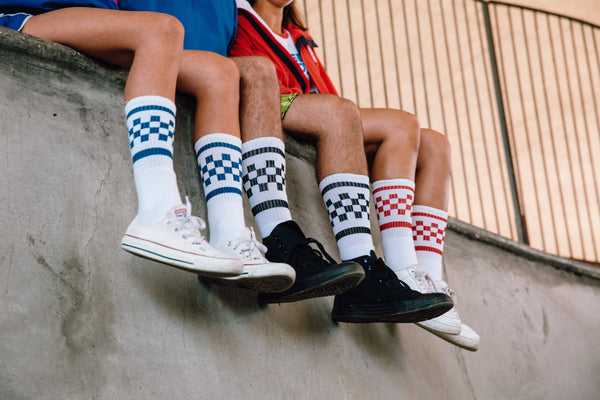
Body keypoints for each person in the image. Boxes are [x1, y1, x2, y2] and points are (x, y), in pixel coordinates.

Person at [229, 0, 479, 350]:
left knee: (435, 144)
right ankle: (402, 267)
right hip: (278, 106)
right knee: (398, 121)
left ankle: (428, 279)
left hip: (321, 113)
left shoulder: (300, 38)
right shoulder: (240, 16)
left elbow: (329, 97)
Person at [0, 1, 297, 293]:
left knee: (221, 73)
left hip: (98, 21)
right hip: (28, 14)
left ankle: (229, 236)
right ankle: (156, 214)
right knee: (163, 29)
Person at [116, 0, 372, 301]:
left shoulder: (298, 37)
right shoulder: (243, 13)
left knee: (395, 127)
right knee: (251, 72)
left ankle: (233, 236)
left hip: (211, 70)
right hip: (257, 93)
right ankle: (164, 213)